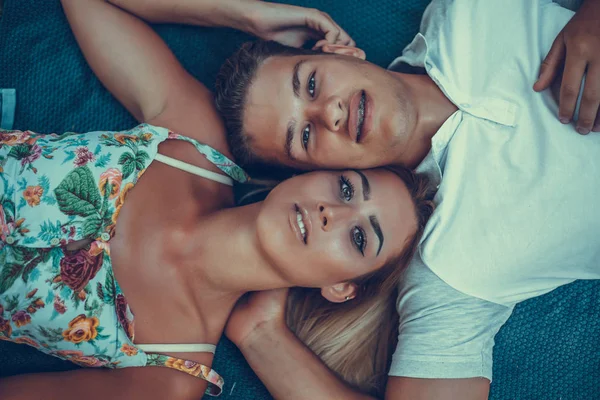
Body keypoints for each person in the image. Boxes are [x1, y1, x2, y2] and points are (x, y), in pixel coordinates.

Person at [0, 0, 436, 399]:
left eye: (359, 237)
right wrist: (244, 15)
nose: (332, 213)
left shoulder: (168, 378)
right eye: (345, 188)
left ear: (340, 288)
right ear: (314, 170)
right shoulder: (195, 140)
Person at [210, 0, 600, 399]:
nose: (330, 112)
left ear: (337, 52)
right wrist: (262, 336)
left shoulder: (466, 9)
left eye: (311, 84)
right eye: (305, 137)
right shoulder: (451, 265)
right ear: (313, 174)